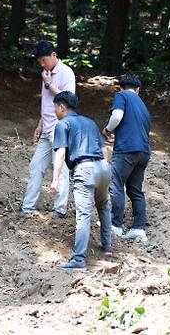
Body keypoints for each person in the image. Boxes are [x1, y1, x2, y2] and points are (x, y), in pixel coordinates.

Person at [49, 91, 112, 270]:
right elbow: (104, 149)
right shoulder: (90, 122)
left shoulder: (63, 124)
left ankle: (78, 259)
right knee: (103, 206)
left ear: (62, 107)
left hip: (84, 169)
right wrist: (104, 167)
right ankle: (107, 246)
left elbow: (60, 152)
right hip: (103, 167)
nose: (54, 110)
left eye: (55, 107)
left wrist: (55, 180)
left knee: (84, 215)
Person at [20, 40, 75, 218]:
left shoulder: (66, 72)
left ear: (53, 55)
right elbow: (46, 103)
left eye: (44, 60)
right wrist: (40, 123)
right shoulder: (46, 73)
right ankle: (27, 208)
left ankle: (59, 210)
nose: (42, 65)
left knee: (61, 170)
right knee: (35, 167)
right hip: (46, 128)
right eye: (40, 62)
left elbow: (68, 100)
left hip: (61, 128)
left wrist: (48, 84)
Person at [102, 75, 151, 243]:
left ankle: (115, 225)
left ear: (121, 87)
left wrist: (108, 130)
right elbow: (136, 129)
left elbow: (117, 116)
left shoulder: (121, 96)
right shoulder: (143, 105)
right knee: (136, 190)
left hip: (126, 151)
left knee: (116, 185)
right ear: (138, 90)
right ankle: (138, 228)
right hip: (143, 152)